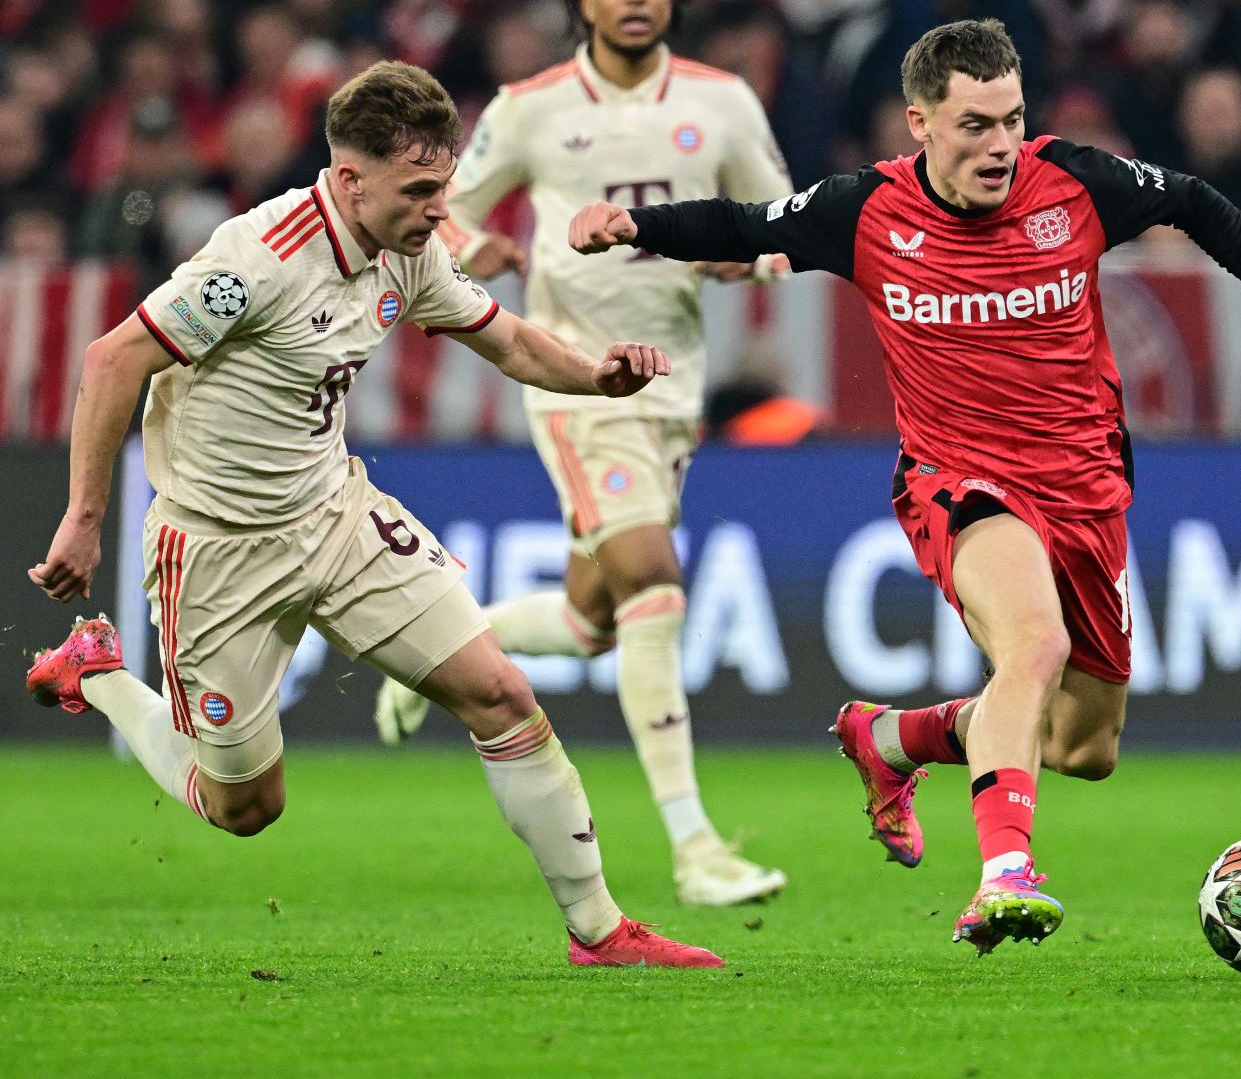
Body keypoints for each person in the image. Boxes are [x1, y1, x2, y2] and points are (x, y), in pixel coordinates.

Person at [567, 18, 1241, 953]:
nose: (1000, 145)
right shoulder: (865, 212)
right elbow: (741, 223)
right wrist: (631, 226)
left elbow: (1198, 202)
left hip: (1086, 486)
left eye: (1011, 119)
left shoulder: (1076, 183)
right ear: (919, 122)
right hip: (960, 481)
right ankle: (1005, 873)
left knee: (1085, 747)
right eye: (974, 125)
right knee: (1033, 645)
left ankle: (895, 740)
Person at [25, 60, 721, 969]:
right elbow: (114, 360)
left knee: (501, 693)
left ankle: (599, 933)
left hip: (336, 515)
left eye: (447, 186)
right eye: (422, 189)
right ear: (350, 180)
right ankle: (102, 674)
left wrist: (598, 375)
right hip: (219, 546)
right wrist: (84, 518)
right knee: (245, 808)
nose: (442, 209)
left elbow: (507, 340)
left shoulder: (409, 250)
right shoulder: (257, 260)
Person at [370, 0, 791, 907]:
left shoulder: (720, 102)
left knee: (592, 621)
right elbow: (447, 211)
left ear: (672, 1)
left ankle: (441, 648)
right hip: (573, 380)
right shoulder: (531, 108)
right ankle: (695, 851)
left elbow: (784, 220)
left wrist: (752, 256)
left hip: (674, 388)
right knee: (652, 578)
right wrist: (492, 249)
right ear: (584, 4)